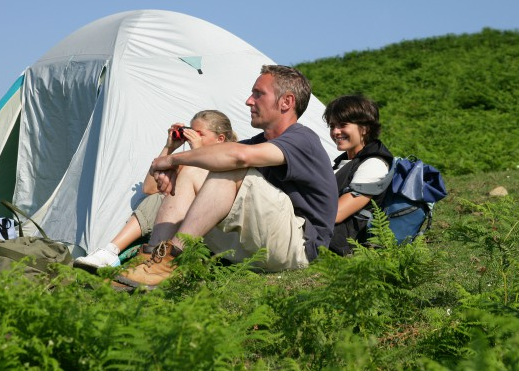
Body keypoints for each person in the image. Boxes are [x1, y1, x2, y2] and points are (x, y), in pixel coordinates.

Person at [113, 65, 338, 290]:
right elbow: (155, 187)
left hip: (300, 246)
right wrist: (173, 160)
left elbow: (238, 157)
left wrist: (173, 161)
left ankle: (173, 258)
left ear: (286, 102)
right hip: (259, 247)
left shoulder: (303, 139)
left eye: (258, 94)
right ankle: (153, 258)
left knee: (228, 164)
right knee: (197, 169)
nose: (249, 101)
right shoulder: (255, 143)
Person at [74, 110, 238, 270]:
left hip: (214, 226)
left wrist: (197, 151)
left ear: (220, 139)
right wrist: (169, 147)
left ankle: (146, 257)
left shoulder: (232, 156)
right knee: (156, 199)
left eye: (200, 134)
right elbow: (150, 188)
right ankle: (111, 251)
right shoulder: (187, 160)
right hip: (184, 227)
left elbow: (214, 197)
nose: (192, 137)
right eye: (190, 132)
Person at [323, 94, 393, 255]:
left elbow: (336, 214)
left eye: (343, 125)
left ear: (365, 128)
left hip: (337, 243)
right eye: (332, 126)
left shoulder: (373, 164)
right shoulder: (344, 163)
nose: (336, 132)